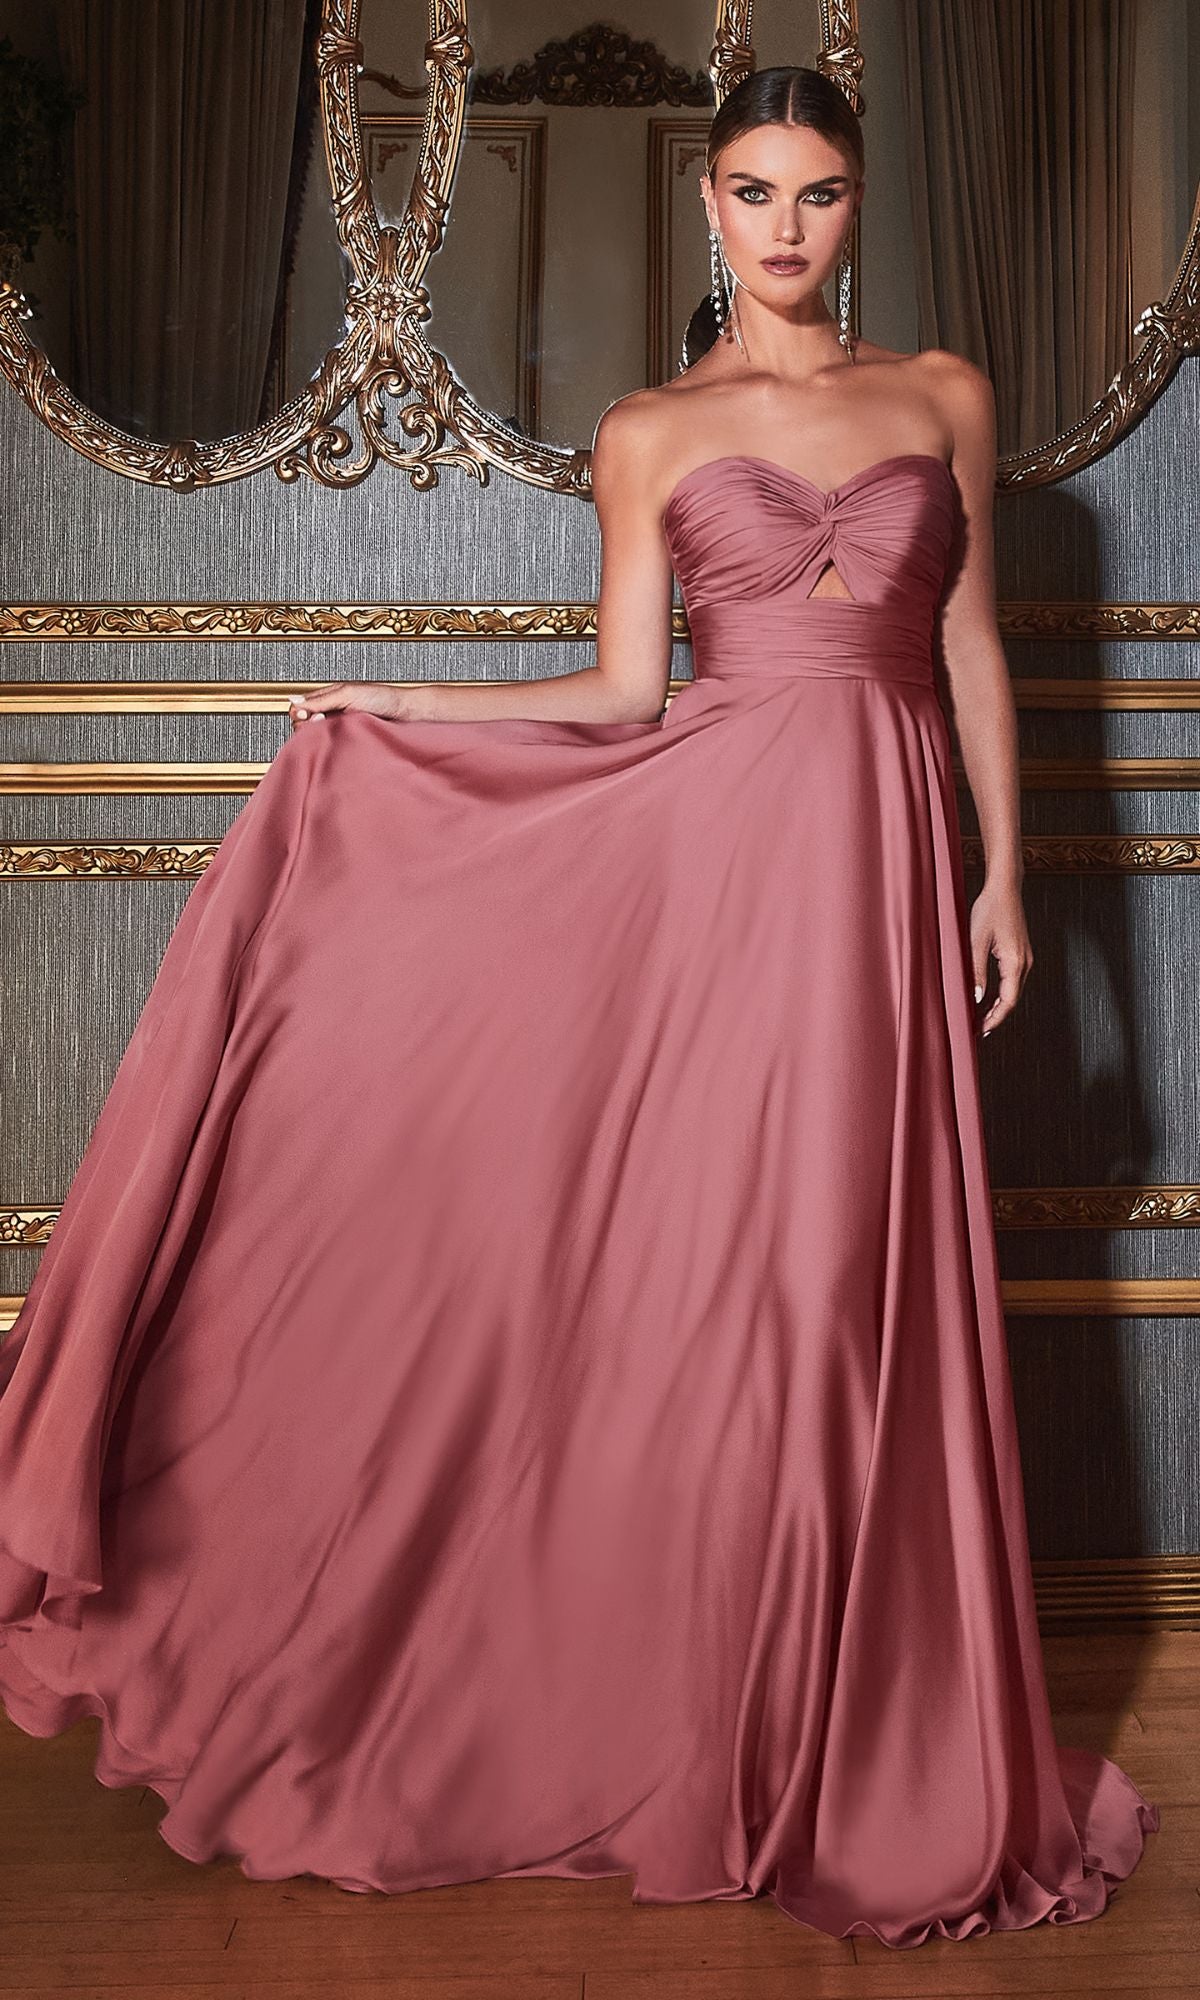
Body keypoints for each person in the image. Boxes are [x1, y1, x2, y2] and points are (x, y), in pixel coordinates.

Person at [0, 65, 1158, 1949]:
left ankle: (844, 1730)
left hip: (882, 887)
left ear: (862, 208)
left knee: (851, 1287)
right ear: (712, 209)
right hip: (723, 896)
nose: (789, 227)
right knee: (751, 1287)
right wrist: (398, 718)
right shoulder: (648, 431)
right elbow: (627, 694)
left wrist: (1006, 875)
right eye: (759, 194)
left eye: (824, 194)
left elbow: (966, 651)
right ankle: (728, 1719)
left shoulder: (940, 394)